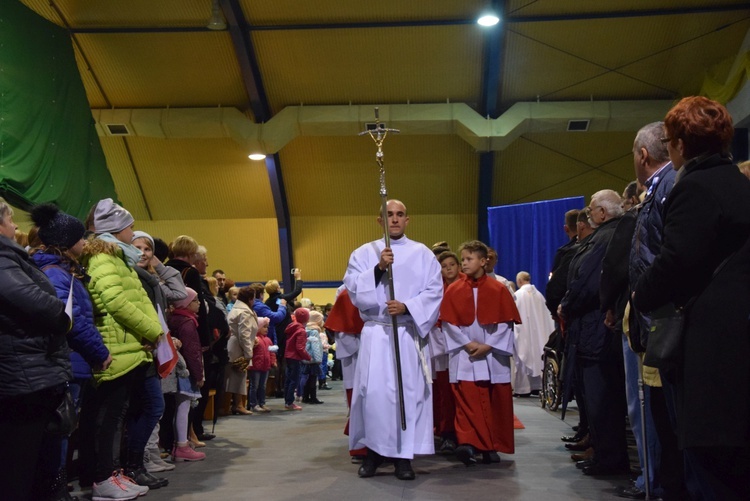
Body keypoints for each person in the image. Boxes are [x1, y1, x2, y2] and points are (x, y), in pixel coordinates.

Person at [633, 96, 750, 500]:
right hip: (736, 339)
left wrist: (640, 293)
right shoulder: (737, 182)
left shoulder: (696, 186)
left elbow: (677, 261)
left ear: (681, 144)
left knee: (707, 463)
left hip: (709, 345)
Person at [344, 199, 443, 481]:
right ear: (380, 221)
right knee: (373, 395)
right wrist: (377, 269)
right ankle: (373, 455)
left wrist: (408, 307)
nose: (395, 219)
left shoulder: (422, 254)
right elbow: (352, 288)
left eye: (400, 215)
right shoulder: (364, 253)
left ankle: (403, 458)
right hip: (377, 333)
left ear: (407, 220)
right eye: (389, 215)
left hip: (406, 333)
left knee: (405, 395)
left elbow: (434, 290)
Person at [78, 198, 165, 496]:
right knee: (109, 418)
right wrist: (154, 331)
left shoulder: (118, 257)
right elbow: (115, 301)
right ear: (116, 228)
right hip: (116, 347)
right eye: (128, 226)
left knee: (116, 416)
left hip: (128, 346)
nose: (133, 231)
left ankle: (111, 474)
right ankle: (103, 479)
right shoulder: (104, 258)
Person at [30, 204, 113, 499]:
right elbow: (72, 320)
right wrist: (99, 352)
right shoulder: (57, 275)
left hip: (71, 361)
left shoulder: (63, 271)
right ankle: (55, 490)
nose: (84, 243)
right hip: (67, 361)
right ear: (66, 242)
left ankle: (56, 487)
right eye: (80, 238)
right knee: (60, 429)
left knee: (62, 429)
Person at [0, 198, 74, 501]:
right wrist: (63, 315)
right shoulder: (3, 258)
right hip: (23, 374)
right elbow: (28, 297)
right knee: (18, 467)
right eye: (9, 219)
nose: (15, 225)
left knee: (25, 465)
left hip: (26, 370)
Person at [559, 190, 629, 477]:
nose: (588, 213)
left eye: (591, 209)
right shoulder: (608, 236)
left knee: (602, 398)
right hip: (591, 328)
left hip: (594, 329)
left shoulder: (603, 239)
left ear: (602, 213)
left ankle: (608, 458)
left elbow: (587, 282)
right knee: (599, 398)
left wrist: (566, 304)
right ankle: (603, 453)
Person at [440, 240, 521, 466]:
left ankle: (490, 446)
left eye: (469, 259)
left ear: (484, 261)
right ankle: (468, 443)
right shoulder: (454, 290)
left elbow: (506, 323)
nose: (464, 264)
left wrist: (488, 345)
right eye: (463, 259)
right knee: (467, 403)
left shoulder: (499, 289)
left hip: (492, 356)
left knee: (493, 401)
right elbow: (448, 323)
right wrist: (466, 343)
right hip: (464, 355)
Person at [166, 287, 207, 462]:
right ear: (186, 303)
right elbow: (192, 352)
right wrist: (199, 375)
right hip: (185, 371)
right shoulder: (187, 323)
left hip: (178, 370)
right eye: (196, 300)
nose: (199, 304)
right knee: (183, 408)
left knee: (179, 408)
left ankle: (180, 443)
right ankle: (182, 444)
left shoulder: (177, 319)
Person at [431, 250, 464, 454]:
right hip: (441, 344)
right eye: (444, 266)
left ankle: (465, 433)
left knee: (463, 391)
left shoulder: (466, 287)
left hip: (464, 345)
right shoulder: (436, 289)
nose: (449, 268)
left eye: (452, 264)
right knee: (444, 392)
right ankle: (447, 432)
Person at [512, 271, 554, 396]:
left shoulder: (518, 295)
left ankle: (524, 388)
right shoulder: (540, 295)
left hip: (524, 333)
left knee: (524, 355)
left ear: (519, 281)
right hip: (540, 334)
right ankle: (537, 386)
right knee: (537, 356)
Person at [226, 286, 258, 415]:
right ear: (250, 299)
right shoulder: (244, 312)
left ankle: (236, 404)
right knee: (238, 375)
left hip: (235, 344)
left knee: (236, 376)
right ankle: (238, 405)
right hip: (238, 346)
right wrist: (248, 353)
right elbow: (244, 333)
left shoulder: (237, 308)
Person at [284, 308, 312, 410]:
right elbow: (300, 347)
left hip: (288, 356)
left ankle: (287, 401)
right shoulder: (301, 331)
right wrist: (308, 357)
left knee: (288, 380)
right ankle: (290, 402)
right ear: (306, 319)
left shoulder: (292, 328)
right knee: (294, 381)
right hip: (295, 358)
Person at [248, 317, 276, 412]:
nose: (266, 329)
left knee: (263, 386)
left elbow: (271, 352)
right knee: (254, 386)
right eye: (264, 327)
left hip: (265, 366)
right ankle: (253, 404)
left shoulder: (268, 340)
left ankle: (262, 403)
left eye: (267, 327)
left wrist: (273, 361)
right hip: (256, 366)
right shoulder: (255, 339)